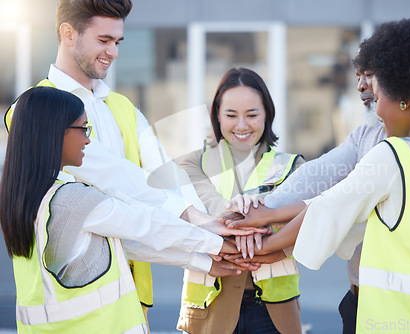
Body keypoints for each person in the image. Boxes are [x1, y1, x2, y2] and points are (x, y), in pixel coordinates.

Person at [227, 19, 410, 333]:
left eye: (376, 86)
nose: (376, 106)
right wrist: (265, 212)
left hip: (406, 319)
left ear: (405, 98)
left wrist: (262, 246)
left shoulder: (393, 153)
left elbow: (329, 207)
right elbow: (321, 184)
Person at [4, 0, 255, 326]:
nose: (114, 52)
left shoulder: (123, 108)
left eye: (118, 42)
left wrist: (215, 224)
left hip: (128, 295)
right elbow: (119, 183)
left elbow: (165, 178)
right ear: (68, 34)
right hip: (78, 303)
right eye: (104, 40)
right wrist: (202, 228)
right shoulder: (34, 113)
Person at [219, 48, 385, 334]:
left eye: (369, 76)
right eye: (358, 76)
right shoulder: (367, 134)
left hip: (402, 306)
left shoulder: (402, 151)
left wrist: (271, 244)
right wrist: (254, 214)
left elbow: (338, 202)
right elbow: (316, 176)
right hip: (360, 297)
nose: (360, 85)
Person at [176, 68, 305, 334]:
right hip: (210, 308)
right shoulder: (191, 163)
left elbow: (308, 223)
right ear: (217, 116)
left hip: (275, 312)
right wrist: (263, 222)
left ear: (267, 113)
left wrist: (248, 215)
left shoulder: (293, 166)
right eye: (231, 115)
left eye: (252, 114)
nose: (242, 125)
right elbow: (203, 210)